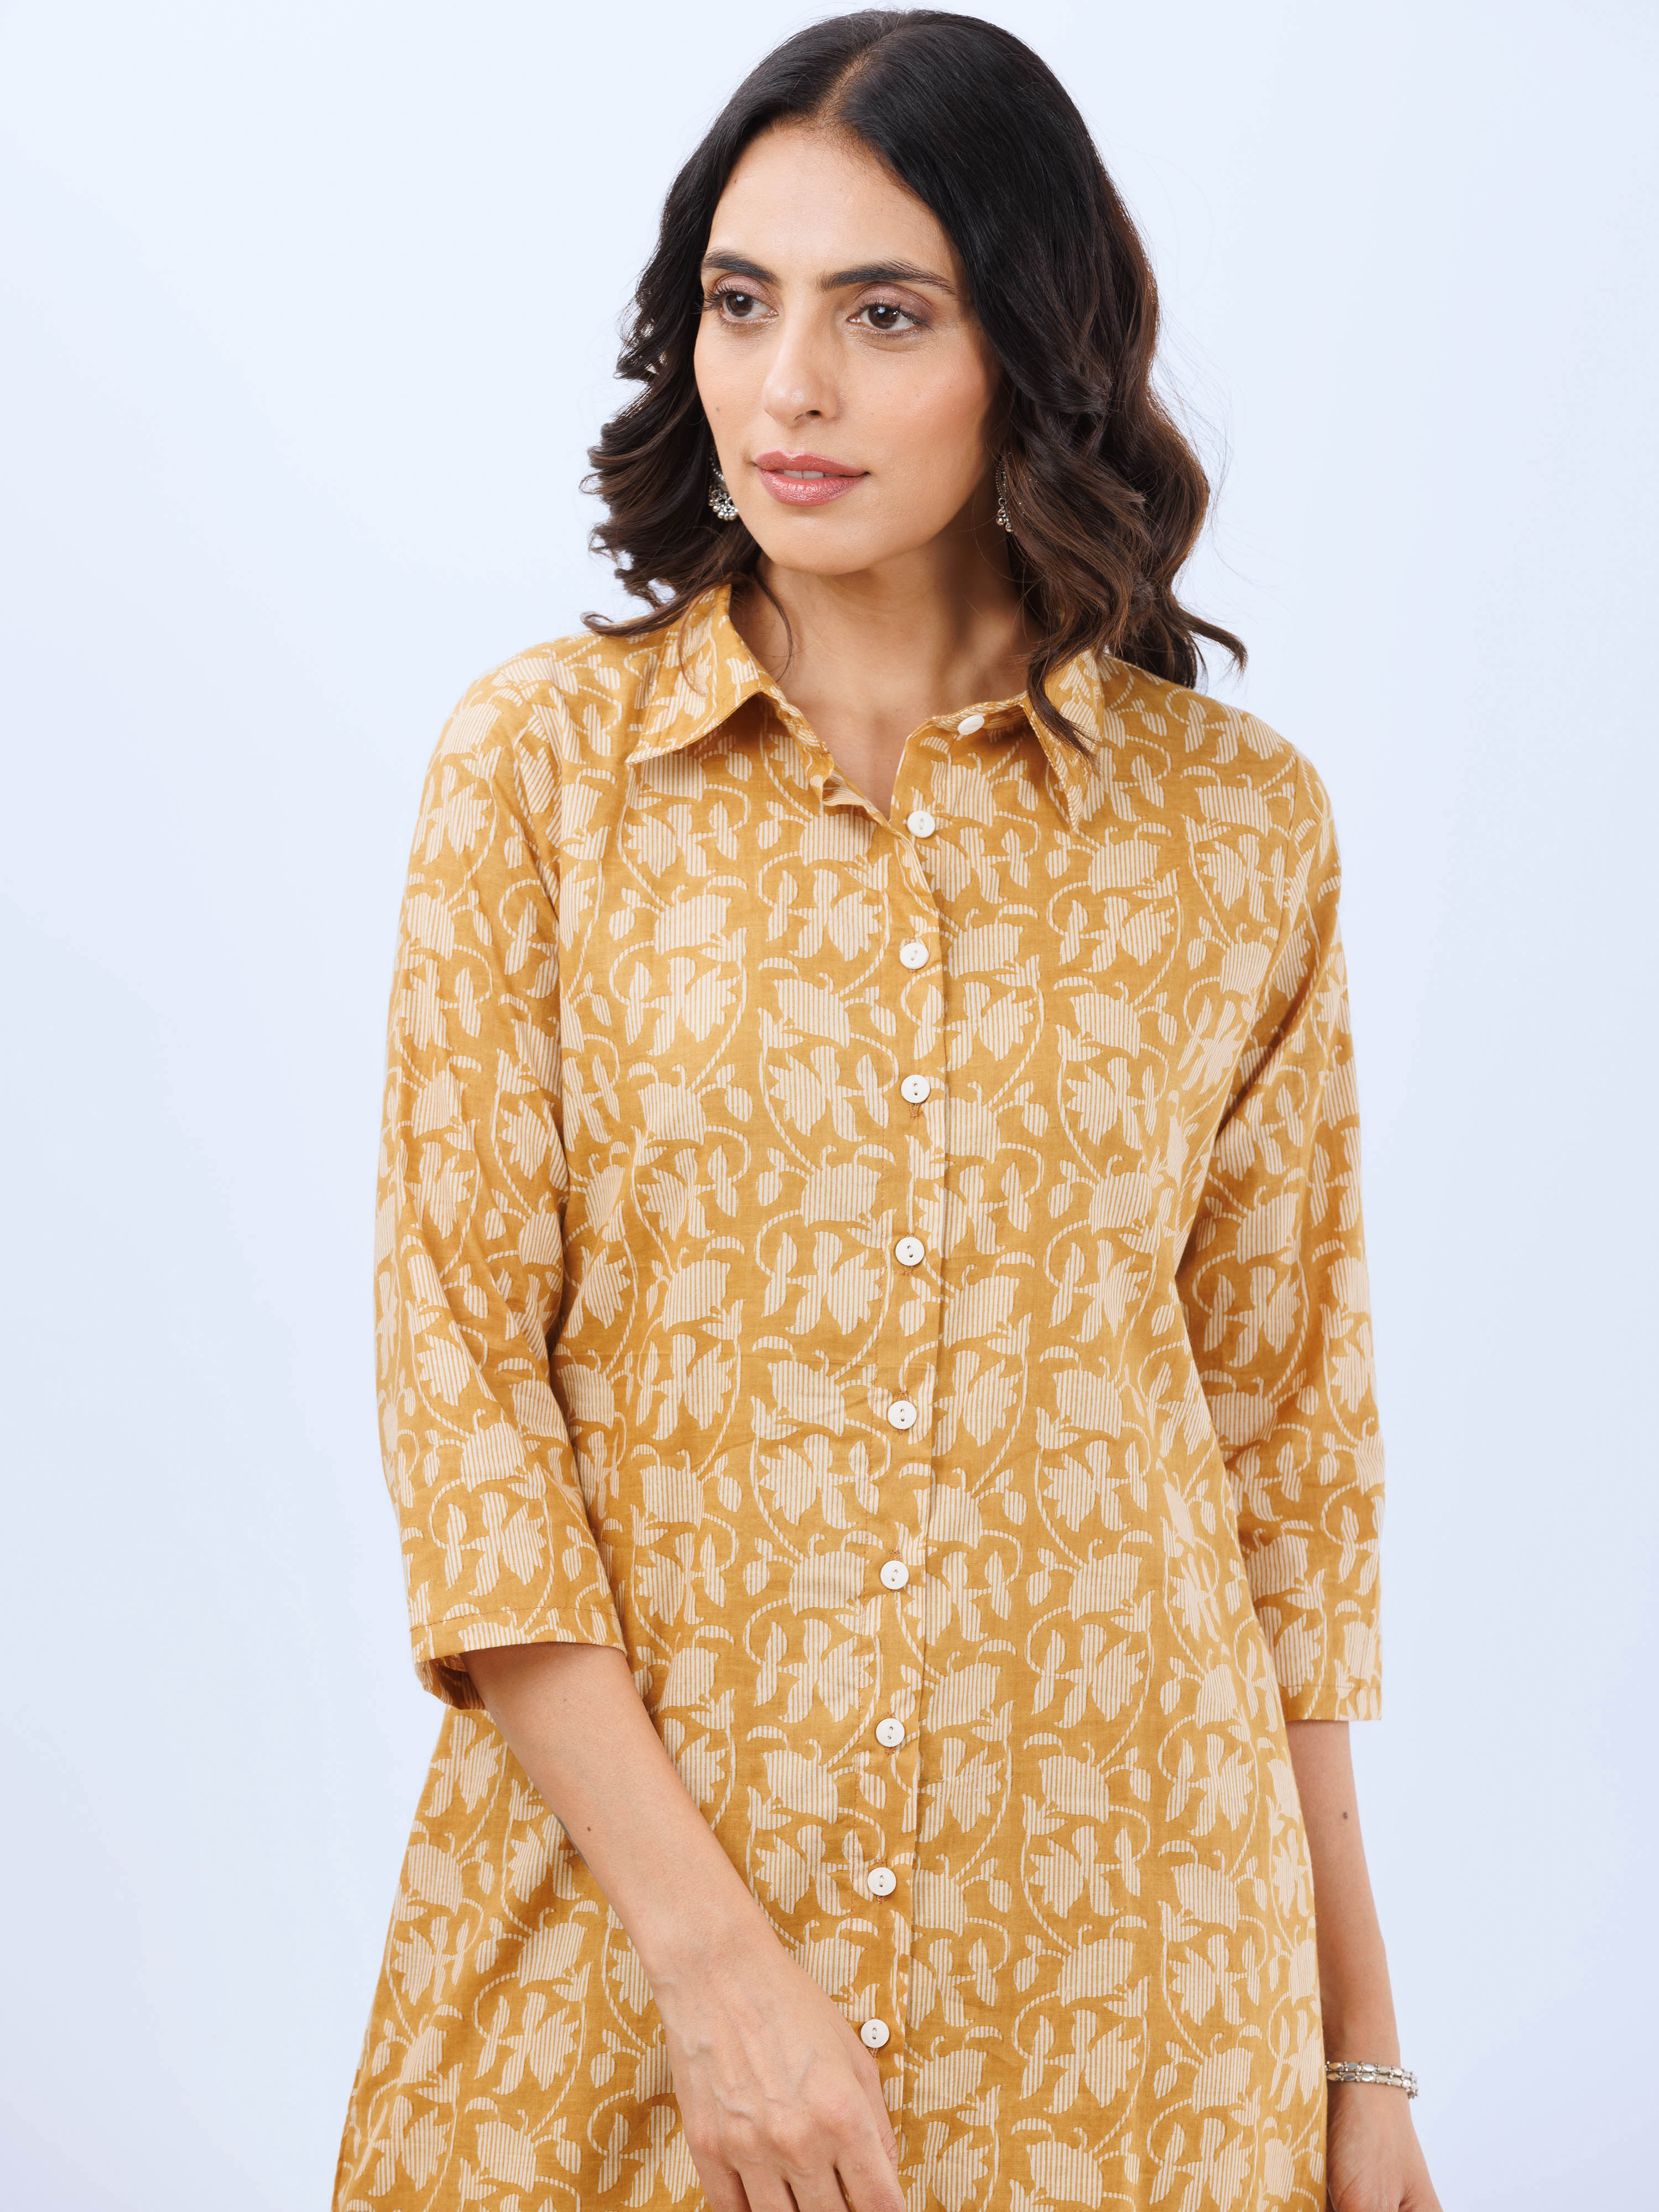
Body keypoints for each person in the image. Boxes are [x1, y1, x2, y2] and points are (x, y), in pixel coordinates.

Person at [334, 13, 1442, 2210]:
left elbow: (1285, 1467)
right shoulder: (540, 777)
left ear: (1033, 347)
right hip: (624, 1969)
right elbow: (465, 1402)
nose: (789, 389)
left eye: (885, 314)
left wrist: (1361, 2058)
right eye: (741, 302)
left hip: (1134, 1993)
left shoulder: (1236, 830)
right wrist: (715, 1967)